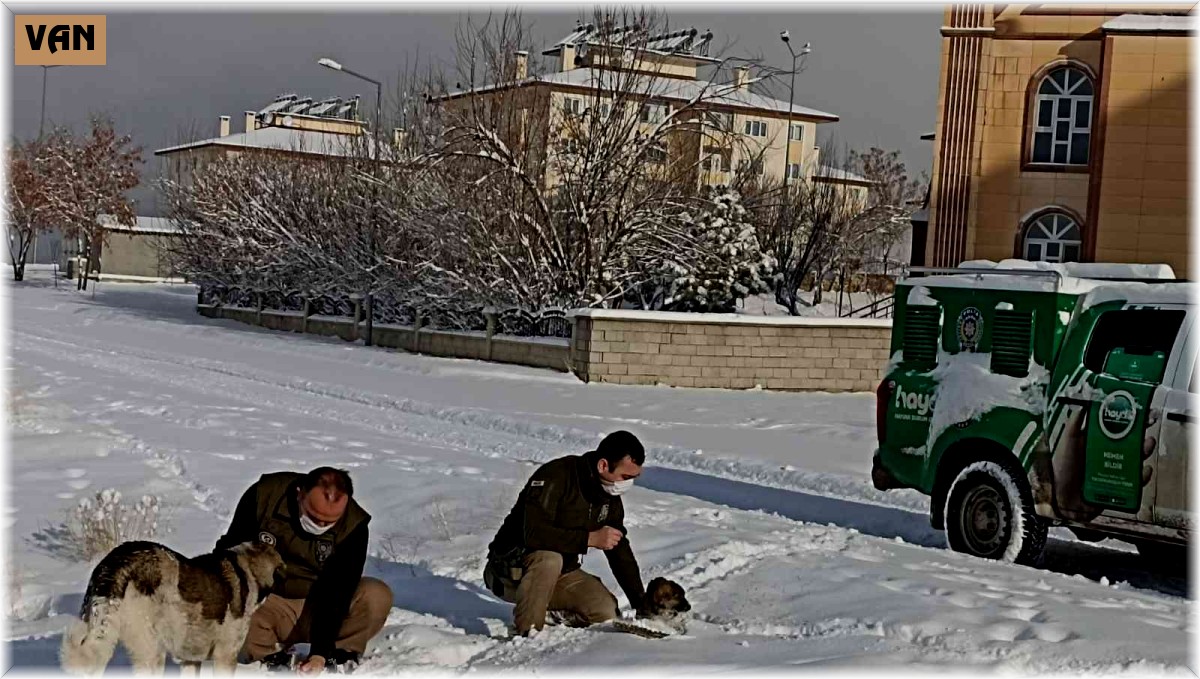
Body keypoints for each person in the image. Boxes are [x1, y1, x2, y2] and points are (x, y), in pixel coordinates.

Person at [215, 467, 392, 674]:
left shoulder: (354, 525)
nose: (320, 525)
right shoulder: (264, 496)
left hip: (321, 604)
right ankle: (265, 658)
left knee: (376, 594)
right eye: (314, 517)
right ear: (300, 493)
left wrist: (320, 652)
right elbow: (231, 553)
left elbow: (339, 590)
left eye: (329, 522)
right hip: (269, 603)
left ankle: (342, 655)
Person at [484, 430, 647, 636]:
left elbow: (618, 547)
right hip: (511, 572)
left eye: (634, 477)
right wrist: (590, 539)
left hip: (561, 572)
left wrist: (640, 601)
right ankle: (526, 634)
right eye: (625, 476)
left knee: (605, 612)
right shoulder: (556, 475)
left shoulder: (608, 495)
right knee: (549, 558)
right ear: (603, 465)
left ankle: (547, 613)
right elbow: (534, 534)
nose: (628, 483)